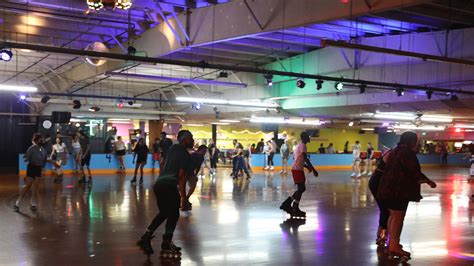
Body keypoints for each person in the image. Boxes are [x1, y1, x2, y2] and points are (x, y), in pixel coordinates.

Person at [377, 131, 437, 261]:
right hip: (398, 190)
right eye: (416, 140)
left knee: (393, 216)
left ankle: (392, 243)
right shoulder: (407, 153)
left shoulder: (395, 151)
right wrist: (429, 181)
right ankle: (394, 245)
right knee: (398, 217)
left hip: (387, 189)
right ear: (411, 141)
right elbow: (414, 171)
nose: (417, 143)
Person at [136, 130, 194, 257]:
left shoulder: (172, 149)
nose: (193, 141)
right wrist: (184, 199)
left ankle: (147, 236)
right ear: (184, 140)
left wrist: (164, 175)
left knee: (164, 212)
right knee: (173, 214)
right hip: (169, 185)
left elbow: (162, 163)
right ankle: (166, 242)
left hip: (159, 184)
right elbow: (181, 177)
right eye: (191, 138)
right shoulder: (185, 155)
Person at [280, 132, 318, 218]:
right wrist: (313, 169)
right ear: (304, 138)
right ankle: (288, 204)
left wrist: (306, 167)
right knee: (302, 188)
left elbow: (299, 159)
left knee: (301, 188)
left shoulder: (299, 145)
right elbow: (304, 158)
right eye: (308, 136)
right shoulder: (303, 146)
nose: (309, 138)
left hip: (298, 169)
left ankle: (295, 207)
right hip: (297, 170)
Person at [14, 133, 54, 212]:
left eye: (42, 139)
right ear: (37, 140)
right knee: (28, 186)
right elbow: (26, 158)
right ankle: (17, 203)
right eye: (40, 139)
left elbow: (45, 159)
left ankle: (33, 204)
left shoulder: (43, 150)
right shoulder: (31, 148)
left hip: (38, 169)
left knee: (35, 187)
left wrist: (54, 163)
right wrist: (28, 159)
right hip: (31, 168)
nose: (42, 140)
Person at [182, 145, 208, 211]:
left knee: (193, 185)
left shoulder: (201, 158)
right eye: (204, 151)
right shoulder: (193, 155)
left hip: (191, 173)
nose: (205, 152)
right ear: (199, 150)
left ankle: (186, 199)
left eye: (205, 151)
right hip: (185, 172)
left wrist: (195, 175)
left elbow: (198, 167)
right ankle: (184, 202)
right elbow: (186, 164)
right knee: (182, 188)